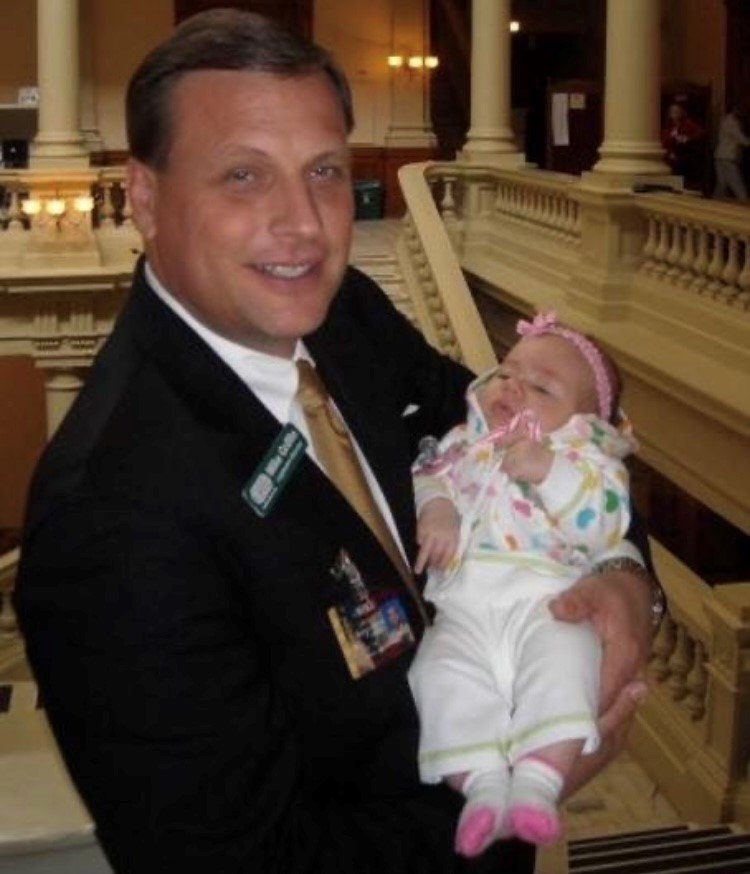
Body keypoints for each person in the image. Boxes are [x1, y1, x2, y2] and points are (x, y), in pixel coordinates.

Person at [14, 10, 655, 874]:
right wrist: (516, 799)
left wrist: (622, 578)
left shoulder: (343, 310)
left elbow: (519, 427)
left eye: (323, 171)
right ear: (146, 197)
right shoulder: (111, 515)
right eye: (243, 176)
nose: (304, 224)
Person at [409, 313, 640, 857]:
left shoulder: (586, 462)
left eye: (540, 387)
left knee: (564, 667)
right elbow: (430, 473)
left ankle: (538, 784)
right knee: (436, 675)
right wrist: (439, 508)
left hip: (548, 603)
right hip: (462, 613)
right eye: (507, 371)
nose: (513, 386)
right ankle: (481, 787)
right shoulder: (468, 441)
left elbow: (607, 523)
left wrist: (550, 471)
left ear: (585, 420)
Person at [661, 102, 705, 184]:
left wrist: (686, 138)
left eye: (677, 111)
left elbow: (700, 133)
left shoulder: (688, 124)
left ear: (682, 112)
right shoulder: (668, 127)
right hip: (671, 160)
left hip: (685, 159)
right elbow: (665, 142)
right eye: (672, 112)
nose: (674, 114)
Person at [714, 107, 749, 201]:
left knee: (722, 184)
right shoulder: (732, 122)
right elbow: (740, 138)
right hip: (728, 157)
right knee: (737, 185)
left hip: (721, 156)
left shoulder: (725, 120)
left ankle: (715, 205)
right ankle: (744, 205)